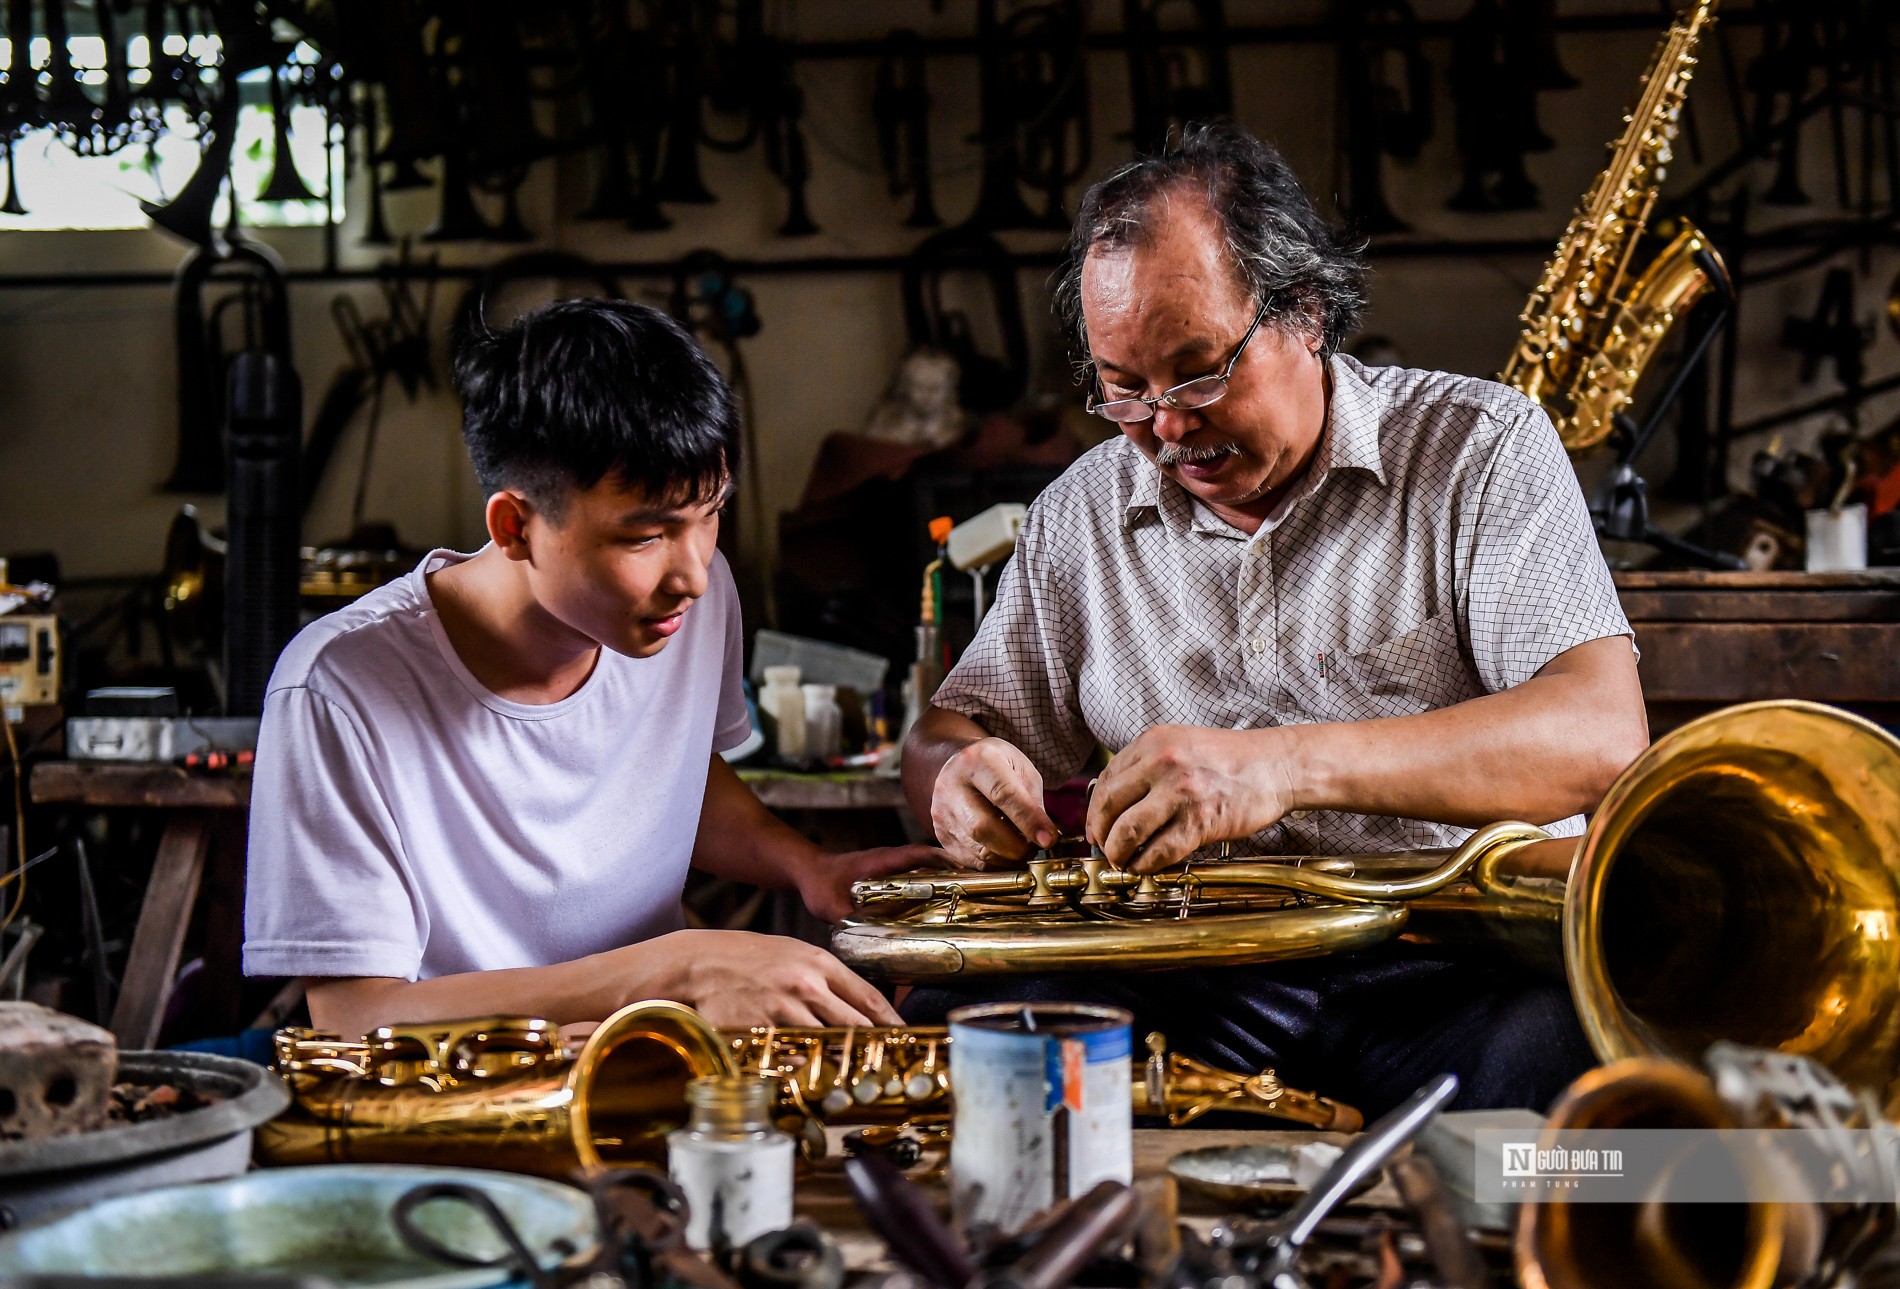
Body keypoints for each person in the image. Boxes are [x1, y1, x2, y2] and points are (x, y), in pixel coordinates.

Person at [899, 121, 1650, 1114]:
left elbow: (1599, 734)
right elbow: (950, 732)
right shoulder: (1080, 511)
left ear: (1304, 313)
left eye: (1198, 370)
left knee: (1568, 1089)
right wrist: (955, 776)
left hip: (1456, 966)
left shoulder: (1479, 448)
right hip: (1181, 974)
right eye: (1122, 386)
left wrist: (1285, 764)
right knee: (985, 1036)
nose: (1165, 426)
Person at [244, 299, 937, 1038]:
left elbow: (672, 776)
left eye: (709, 514)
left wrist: (808, 867)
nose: (693, 572)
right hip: (464, 1096)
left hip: (654, 1058)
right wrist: (680, 969)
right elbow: (354, 1016)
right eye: (646, 535)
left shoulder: (692, 605)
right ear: (515, 526)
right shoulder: (337, 687)